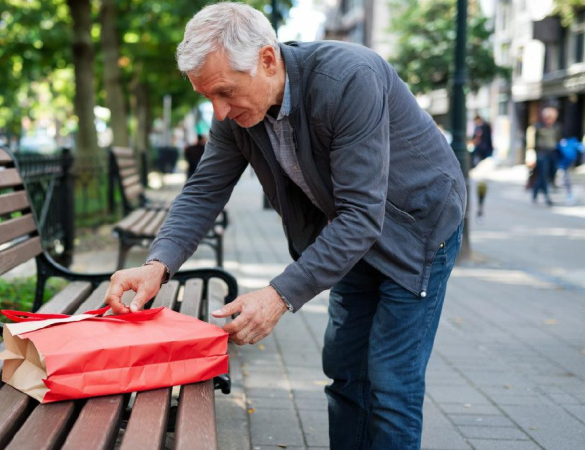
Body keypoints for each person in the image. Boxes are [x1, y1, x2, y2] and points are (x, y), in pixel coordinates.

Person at [104, 3, 466, 449]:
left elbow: (361, 216)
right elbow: (203, 193)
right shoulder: (237, 114)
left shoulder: (349, 78)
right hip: (351, 233)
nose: (218, 112)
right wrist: (156, 265)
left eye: (223, 92)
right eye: (207, 97)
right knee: (345, 372)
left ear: (268, 60)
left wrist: (278, 296)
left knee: (390, 383)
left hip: (418, 229)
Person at [526, 106, 561, 206]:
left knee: (550, 174)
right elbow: (531, 142)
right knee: (543, 175)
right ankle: (546, 196)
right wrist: (531, 154)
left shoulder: (556, 127)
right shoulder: (538, 126)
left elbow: (557, 139)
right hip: (541, 153)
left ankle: (535, 193)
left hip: (552, 153)